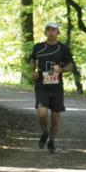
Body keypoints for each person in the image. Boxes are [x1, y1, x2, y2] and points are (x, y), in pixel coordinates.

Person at [31, 22, 75, 153]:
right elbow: (33, 60)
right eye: (48, 30)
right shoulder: (38, 47)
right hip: (41, 85)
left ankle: (51, 141)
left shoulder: (63, 48)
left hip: (56, 87)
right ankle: (44, 132)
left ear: (58, 32)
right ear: (45, 32)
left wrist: (62, 69)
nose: (51, 32)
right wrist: (33, 72)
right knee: (41, 113)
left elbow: (70, 65)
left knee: (55, 117)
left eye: (54, 30)